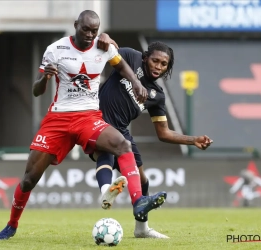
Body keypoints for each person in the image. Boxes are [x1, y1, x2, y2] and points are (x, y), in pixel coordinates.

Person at [0, 10, 167, 240]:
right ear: (76, 25)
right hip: (58, 119)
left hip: (88, 117)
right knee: (29, 179)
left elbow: (121, 65)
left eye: (94, 31)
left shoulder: (103, 47)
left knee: (122, 144)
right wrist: (45, 77)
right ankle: (12, 224)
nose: (90, 35)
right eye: (85, 29)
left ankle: (138, 202)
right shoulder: (56, 49)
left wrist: (135, 82)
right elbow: (37, 92)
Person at [90, 39, 213, 238]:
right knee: (105, 153)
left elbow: (163, 132)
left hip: (122, 131)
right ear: (146, 57)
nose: (158, 66)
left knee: (142, 180)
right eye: (155, 61)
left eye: (164, 64)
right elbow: (106, 49)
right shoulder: (130, 56)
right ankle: (105, 191)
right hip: (96, 119)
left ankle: (141, 229)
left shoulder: (157, 96)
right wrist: (104, 36)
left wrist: (193, 140)